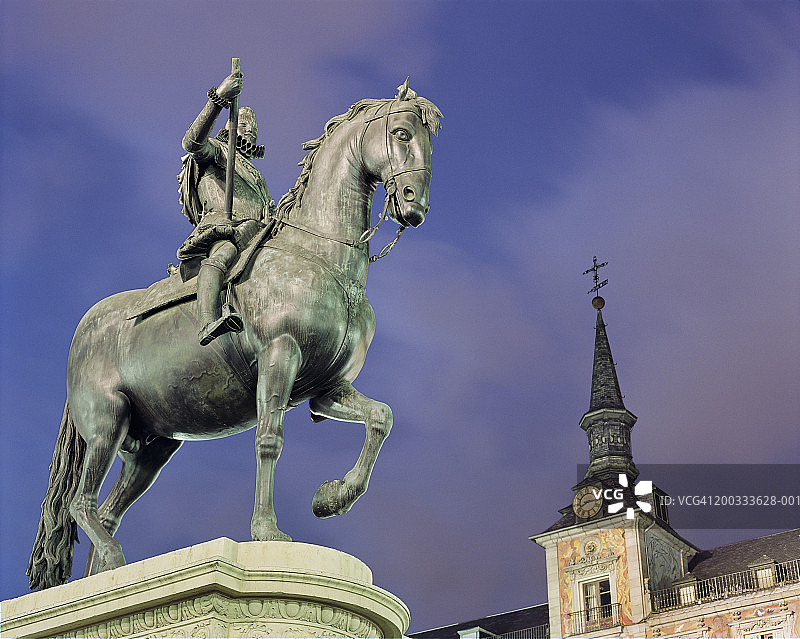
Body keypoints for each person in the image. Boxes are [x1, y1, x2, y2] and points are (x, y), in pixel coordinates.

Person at [176, 70, 275, 345]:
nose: (249, 128)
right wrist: (219, 99)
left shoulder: (256, 174)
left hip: (256, 233)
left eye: (253, 125)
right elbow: (192, 143)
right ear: (230, 125)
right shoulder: (218, 151)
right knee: (224, 254)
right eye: (242, 122)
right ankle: (208, 320)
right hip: (224, 228)